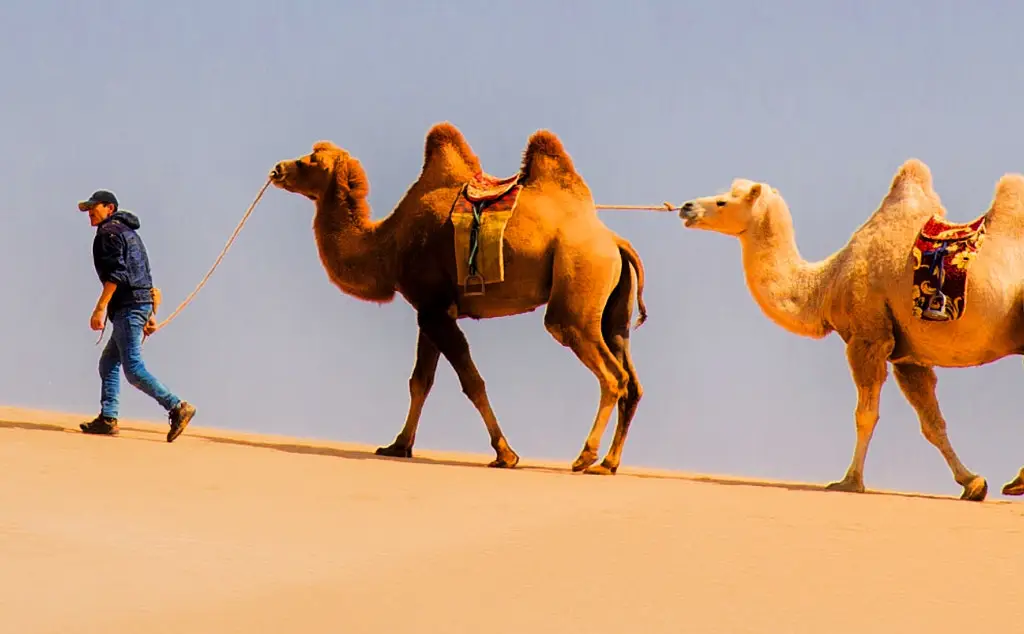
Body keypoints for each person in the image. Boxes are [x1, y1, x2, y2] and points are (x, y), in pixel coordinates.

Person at [78, 189, 196, 442]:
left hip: (128, 306)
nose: (89, 213)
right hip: (136, 304)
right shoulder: (128, 232)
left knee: (132, 367)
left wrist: (100, 308)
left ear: (109, 208)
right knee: (109, 362)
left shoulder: (108, 233)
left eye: (93, 207)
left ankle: (177, 406)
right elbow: (141, 270)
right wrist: (148, 311)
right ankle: (108, 418)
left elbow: (117, 274)